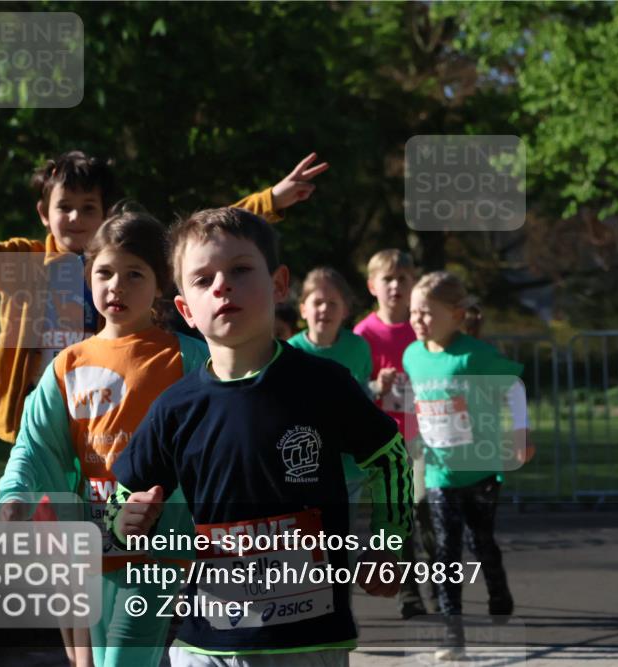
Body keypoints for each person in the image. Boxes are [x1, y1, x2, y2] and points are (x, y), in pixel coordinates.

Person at [106, 207, 412, 666]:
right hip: (206, 643)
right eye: (203, 279)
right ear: (186, 310)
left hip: (307, 642)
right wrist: (123, 520)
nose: (222, 286)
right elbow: (122, 493)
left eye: (240, 270)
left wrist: (389, 543)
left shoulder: (323, 384)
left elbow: (389, 457)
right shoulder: (176, 407)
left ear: (280, 284)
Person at [0, 151, 328, 443]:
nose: (75, 217)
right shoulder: (23, 262)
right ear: (43, 212)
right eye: (64, 207)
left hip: (108, 408)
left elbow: (196, 237)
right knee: (43, 512)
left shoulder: (132, 262)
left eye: (88, 208)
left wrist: (270, 201)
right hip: (42, 409)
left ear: (106, 216)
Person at [0, 207, 210, 667]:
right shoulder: (66, 365)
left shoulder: (190, 359)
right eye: (105, 272)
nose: (117, 286)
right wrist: (15, 494)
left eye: (135, 274)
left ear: (160, 285)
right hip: (91, 546)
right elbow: (35, 446)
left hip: (160, 549)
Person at [403, 271, 527, 661]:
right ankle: (452, 635)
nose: (418, 321)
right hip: (440, 472)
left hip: (482, 470)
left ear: (456, 315)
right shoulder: (412, 355)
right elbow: (415, 399)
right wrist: (412, 438)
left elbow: (516, 388)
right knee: (445, 551)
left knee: (481, 543)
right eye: (413, 313)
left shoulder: (475, 355)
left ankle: (498, 589)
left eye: (426, 313)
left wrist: (520, 435)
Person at [352, 250, 433, 619]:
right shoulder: (363, 334)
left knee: (425, 516)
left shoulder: (423, 329)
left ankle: (438, 587)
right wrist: (374, 384)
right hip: (384, 445)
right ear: (373, 286)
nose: (396, 286)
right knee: (397, 518)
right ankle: (408, 594)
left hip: (425, 437)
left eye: (403, 278)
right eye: (388, 279)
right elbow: (353, 390)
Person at [287, 267, 374, 514]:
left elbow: (364, 395)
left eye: (333, 303)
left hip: (349, 467)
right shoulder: (290, 351)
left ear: (346, 310)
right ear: (303, 308)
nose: (325, 309)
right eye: (317, 302)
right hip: (306, 465)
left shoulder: (358, 347)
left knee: (343, 537)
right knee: (310, 540)